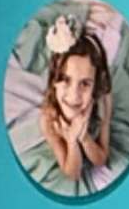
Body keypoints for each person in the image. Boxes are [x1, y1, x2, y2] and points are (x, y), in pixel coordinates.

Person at [36, 22, 114, 195]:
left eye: (85, 84)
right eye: (65, 79)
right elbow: (73, 173)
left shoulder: (103, 102)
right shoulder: (49, 120)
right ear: (54, 81)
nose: (74, 95)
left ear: (95, 86)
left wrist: (84, 137)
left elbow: (101, 160)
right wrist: (71, 141)